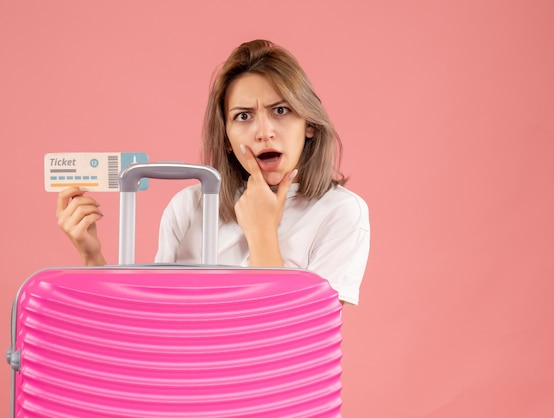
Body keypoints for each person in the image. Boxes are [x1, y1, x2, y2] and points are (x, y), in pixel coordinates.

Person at [56, 39, 370, 305]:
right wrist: (91, 255)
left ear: (310, 125)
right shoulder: (188, 206)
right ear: (227, 140)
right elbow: (148, 325)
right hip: (186, 377)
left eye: (281, 110)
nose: (264, 132)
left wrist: (261, 232)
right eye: (244, 116)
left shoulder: (341, 212)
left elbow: (297, 340)